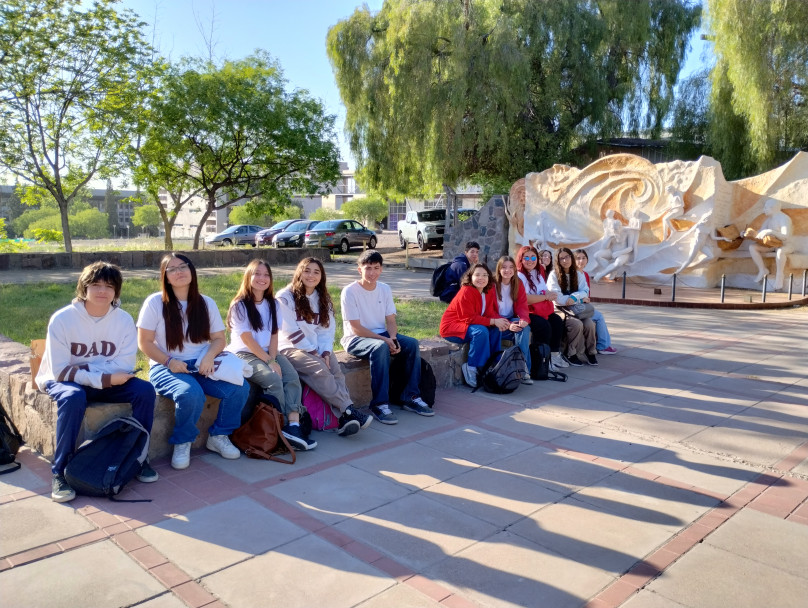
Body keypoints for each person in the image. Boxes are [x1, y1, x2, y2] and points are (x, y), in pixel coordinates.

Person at [39, 262, 157, 503]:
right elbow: (61, 371)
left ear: (116, 291)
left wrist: (97, 375)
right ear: (84, 287)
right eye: (96, 285)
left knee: (144, 390)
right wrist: (102, 376)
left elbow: (124, 364)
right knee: (73, 398)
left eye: (109, 286)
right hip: (66, 382)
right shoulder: (62, 319)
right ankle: (60, 471)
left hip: (107, 381)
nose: (102, 291)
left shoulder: (123, 320)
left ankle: (139, 457)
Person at [137, 254, 249, 470]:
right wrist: (169, 361)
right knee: (191, 393)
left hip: (201, 364)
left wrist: (208, 356)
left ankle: (219, 436)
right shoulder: (154, 303)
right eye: (172, 269)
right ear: (165, 277)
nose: (178, 272)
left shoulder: (206, 303)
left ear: (191, 271)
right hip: (165, 366)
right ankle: (183, 441)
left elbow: (219, 338)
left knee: (239, 388)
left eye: (183, 266)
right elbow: (145, 343)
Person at [226, 259, 316, 451]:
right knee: (273, 380)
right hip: (244, 353)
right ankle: (279, 428)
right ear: (248, 277)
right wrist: (269, 362)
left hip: (269, 351)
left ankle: (293, 426)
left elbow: (274, 335)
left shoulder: (273, 304)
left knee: (291, 376)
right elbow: (248, 340)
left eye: (266, 274)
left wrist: (274, 358)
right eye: (257, 274)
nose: (262, 278)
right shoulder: (240, 305)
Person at [276, 257, 371, 436]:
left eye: (316, 272)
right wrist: (315, 353)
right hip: (289, 348)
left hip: (316, 348)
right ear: (299, 272)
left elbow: (326, 330)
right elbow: (290, 331)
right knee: (320, 368)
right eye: (307, 270)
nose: (311, 275)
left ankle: (345, 417)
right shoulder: (284, 297)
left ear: (322, 276)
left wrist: (325, 351)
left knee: (335, 370)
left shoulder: (323, 298)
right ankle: (348, 410)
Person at [341, 250, 433, 424]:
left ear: (381, 269)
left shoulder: (384, 288)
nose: (372, 272)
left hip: (381, 334)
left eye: (376, 268)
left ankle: (410, 396)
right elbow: (356, 328)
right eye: (368, 268)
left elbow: (390, 321)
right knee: (380, 347)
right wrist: (385, 340)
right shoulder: (349, 291)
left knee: (412, 343)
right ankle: (380, 404)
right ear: (359, 269)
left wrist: (393, 338)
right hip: (355, 338)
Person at [440, 263, 509, 388]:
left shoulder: (487, 291)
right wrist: (493, 321)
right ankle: (471, 367)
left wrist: (503, 321)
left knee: (495, 330)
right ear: (470, 277)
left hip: (470, 325)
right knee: (481, 331)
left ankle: (492, 365)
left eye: (484, 275)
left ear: (489, 277)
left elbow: (490, 313)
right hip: (453, 327)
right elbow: (468, 318)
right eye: (477, 275)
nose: (481, 278)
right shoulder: (466, 291)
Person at [515, 245, 567, 372]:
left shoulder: (537, 273)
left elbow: (542, 290)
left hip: (539, 309)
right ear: (521, 259)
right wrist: (545, 297)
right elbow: (525, 299)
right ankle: (540, 359)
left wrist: (550, 294)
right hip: (524, 311)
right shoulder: (519, 276)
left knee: (556, 321)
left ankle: (553, 355)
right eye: (526, 257)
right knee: (544, 326)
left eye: (533, 257)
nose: (530, 260)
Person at [547, 248, 598, 366]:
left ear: (571, 257)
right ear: (557, 261)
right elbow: (557, 298)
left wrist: (575, 298)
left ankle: (591, 352)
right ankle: (571, 353)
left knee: (590, 324)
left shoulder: (578, 273)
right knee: (576, 324)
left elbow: (585, 290)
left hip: (575, 308)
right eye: (561, 258)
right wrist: (578, 299)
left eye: (567, 257)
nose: (565, 260)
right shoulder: (554, 275)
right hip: (560, 309)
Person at [493, 256, 533, 384]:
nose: (507, 270)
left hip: (511, 318)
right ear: (499, 269)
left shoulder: (518, 283)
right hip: (497, 320)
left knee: (524, 328)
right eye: (504, 267)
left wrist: (524, 319)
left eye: (511, 267)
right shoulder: (492, 284)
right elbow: (489, 310)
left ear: (515, 269)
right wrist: (509, 324)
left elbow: (522, 305)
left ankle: (523, 368)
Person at [574, 249, 617, 355]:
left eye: (584, 258)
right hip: (573, 307)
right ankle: (603, 346)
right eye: (578, 258)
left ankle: (603, 344)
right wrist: (581, 299)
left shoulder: (585, 274)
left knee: (597, 315)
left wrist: (586, 300)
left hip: (582, 306)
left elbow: (587, 294)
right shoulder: (572, 275)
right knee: (599, 317)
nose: (581, 261)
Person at [748, 198, 794, 290]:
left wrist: (770, 231)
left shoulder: (784, 218)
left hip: (786, 245)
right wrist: (748, 233)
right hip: (772, 245)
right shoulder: (769, 220)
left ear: (773, 208)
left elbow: (786, 236)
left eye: (766, 208)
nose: (763, 210)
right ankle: (762, 270)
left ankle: (779, 275)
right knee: (752, 247)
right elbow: (760, 233)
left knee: (780, 251)